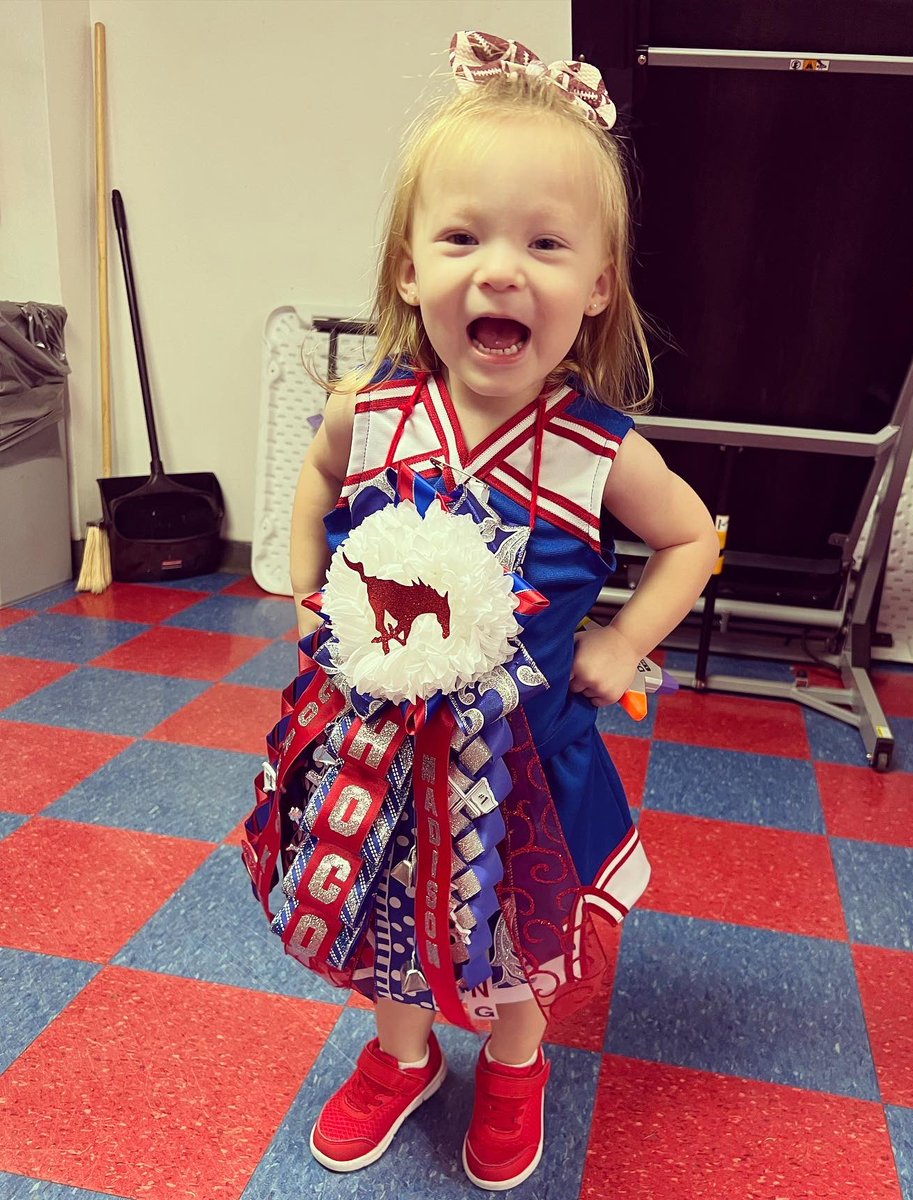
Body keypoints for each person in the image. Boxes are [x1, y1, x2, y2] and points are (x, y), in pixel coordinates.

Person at [245, 30, 719, 1193]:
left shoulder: (600, 451)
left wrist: (622, 638)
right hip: (378, 749)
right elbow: (314, 483)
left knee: (516, 932)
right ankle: (401, 1055)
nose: (501, 271)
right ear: (409, 268)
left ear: (598, 285)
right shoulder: (369, 410)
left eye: (545, 244)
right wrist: (304, 594)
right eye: (463, 237)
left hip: (526, 767)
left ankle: (514, 1065)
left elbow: (693, 538)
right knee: (383, 911)